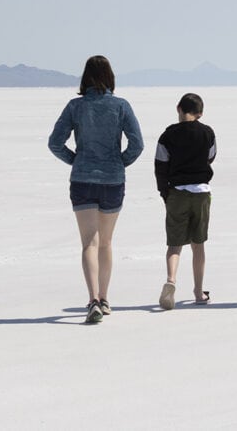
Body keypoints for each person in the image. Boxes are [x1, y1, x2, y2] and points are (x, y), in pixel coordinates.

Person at [48, 55, 144, 324]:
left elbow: (55, 143)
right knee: (107, 242)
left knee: (89, 242)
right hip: (112, 180)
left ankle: (92, 300)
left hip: (83, 180)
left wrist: (77, 161)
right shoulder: (121, 106)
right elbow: (137, 144)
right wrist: (119, 163)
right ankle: (104, 298)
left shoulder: (75, 107)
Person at [154, 93, 217, 310]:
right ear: (200, 113)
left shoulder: (168, 135)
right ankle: (199, 292)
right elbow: (211, 156)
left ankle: (171, 281)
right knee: (198, 245)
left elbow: (160, 166)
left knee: (174, 245)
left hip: (177, 193)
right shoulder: (207, 133)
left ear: (178, 108)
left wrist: (165, 193)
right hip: (201, 192)